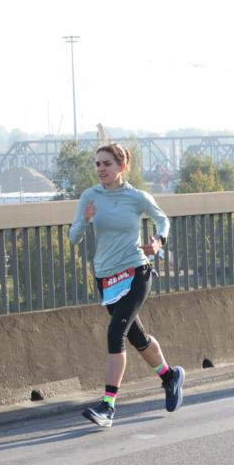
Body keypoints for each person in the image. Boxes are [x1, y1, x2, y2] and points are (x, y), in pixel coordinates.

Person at [69, 143, 185, 428]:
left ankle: (107, 406)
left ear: (122, 166)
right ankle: (170, 376)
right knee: (138, 338)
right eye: (97, 164)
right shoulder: (90, 197)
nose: (100, 169)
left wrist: (158, 241)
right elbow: (73, 237)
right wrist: (84, 221)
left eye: (106, 163)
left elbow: (163, 221)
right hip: (106, 277)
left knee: (115, 333)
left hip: (136, 272)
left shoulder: (137, 197)